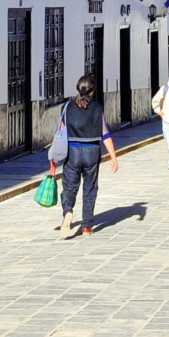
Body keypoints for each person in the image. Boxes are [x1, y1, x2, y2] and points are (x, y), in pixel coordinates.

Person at [55, 76, 118, 238]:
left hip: (72, 152)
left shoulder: (67, 106)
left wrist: (54, 158)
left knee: (69, 187)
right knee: (90, 188)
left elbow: (59, 133)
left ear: (77, 89)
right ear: (93, 90)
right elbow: (105, 134)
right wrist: (113, 157)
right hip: (92, 151)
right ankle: (87, 226)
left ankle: (68, 209)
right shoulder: (97, 108)